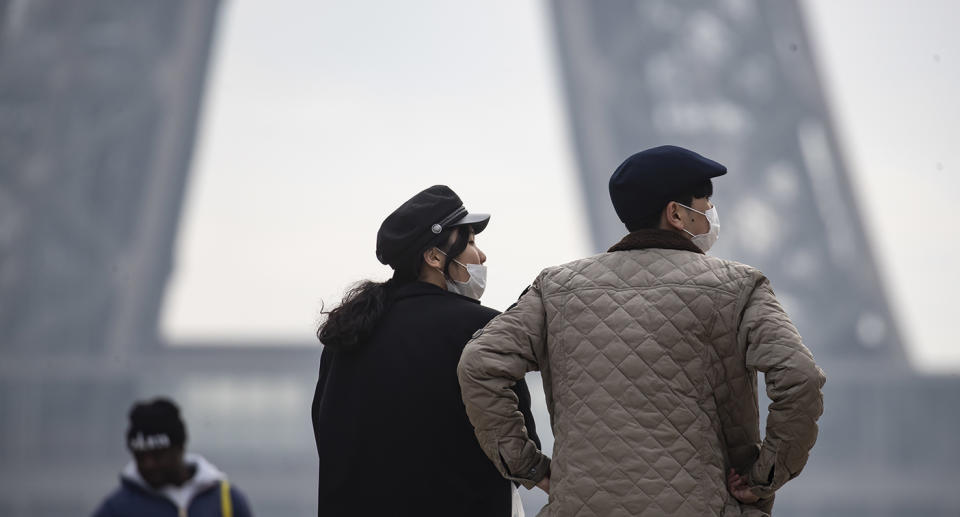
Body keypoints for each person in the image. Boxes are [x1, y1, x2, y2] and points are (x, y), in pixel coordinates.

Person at [457, 145, 826, 516]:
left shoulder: (556, 288)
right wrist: (766, 475)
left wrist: (529, 466)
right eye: (706, 202)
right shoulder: (740, 287)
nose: (712, 212)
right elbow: (801, 377)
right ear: (676, 213)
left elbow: (480, 363)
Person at [312, 185, 542, 517]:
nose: (481, 256)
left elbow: (329, 437)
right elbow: (515, 442)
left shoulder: (348, 333)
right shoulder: (481, 329)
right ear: (434, 257)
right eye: (472, 243)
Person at [91, 397, 254, 517]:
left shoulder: (227, 501)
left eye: (157, 455)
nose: (148, 464)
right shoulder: (118, 509)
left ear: (180, 447)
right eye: (140, 456)